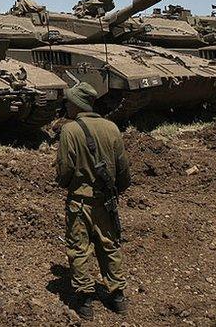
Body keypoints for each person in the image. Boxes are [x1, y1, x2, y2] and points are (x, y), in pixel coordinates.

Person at [56, 82, 131, 319]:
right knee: (110, 245)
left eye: (69, 101)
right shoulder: (112, 128)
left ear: (78, 105)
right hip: (107, 200)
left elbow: (64, 170)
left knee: (79, 248)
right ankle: (118, 296)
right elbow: (123, 170)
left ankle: (85, 300)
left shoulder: (70, 130)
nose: (66, 104)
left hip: (80, 201)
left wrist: (70, 184)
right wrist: (113, 192)